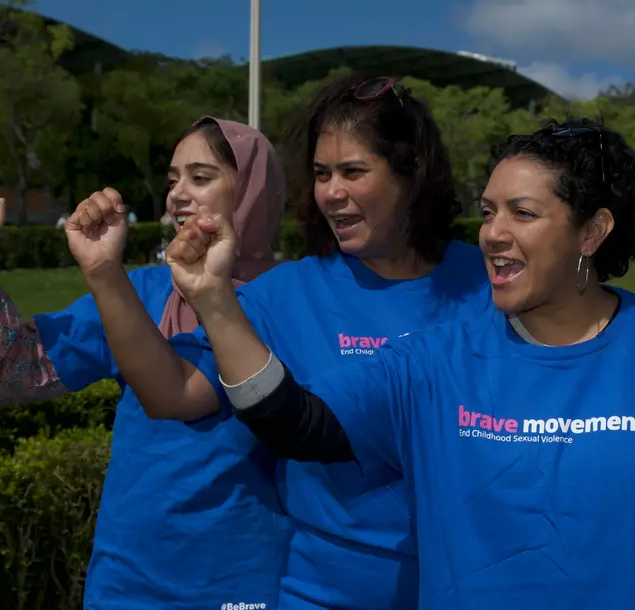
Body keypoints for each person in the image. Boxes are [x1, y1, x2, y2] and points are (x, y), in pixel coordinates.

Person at [165, 120, 635, 610]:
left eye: (523, 213)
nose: (492, 233)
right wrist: (216, 301)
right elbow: (294, 424)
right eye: (487, 211)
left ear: (592, 232)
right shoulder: (437, 358)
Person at [75, 74, 493, 609]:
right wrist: (105, 271)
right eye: (321, 174)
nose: (332, 193)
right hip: (319, 591)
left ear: (412, 169)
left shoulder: (489, 284)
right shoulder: (289, 292)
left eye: (353, 171)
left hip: (461, 583)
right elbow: (172, 394)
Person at [0, 117, 290, 610]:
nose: (178, 195)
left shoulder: (288, 300)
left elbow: (184, 395)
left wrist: (107, 274)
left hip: (238, 585)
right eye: (172, 180)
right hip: (127, 584)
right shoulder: (141, 293)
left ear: (254, 189)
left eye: (201, 177)